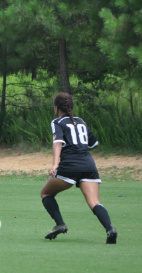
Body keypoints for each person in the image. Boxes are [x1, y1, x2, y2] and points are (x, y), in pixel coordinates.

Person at [40, 93, 117, 244]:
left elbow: (58, 142)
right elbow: (94, 144)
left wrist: (55, 164)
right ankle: (110, 229)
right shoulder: (81, 121)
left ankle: (60, 224)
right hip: (88, 165)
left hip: (69, 166)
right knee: (95, 202)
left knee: (46, 193)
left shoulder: (57, 121)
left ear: (56, 108)